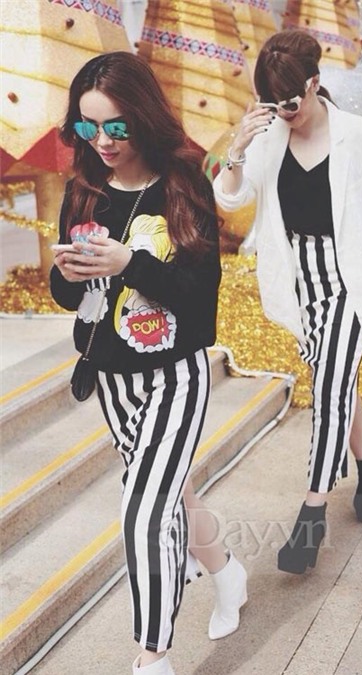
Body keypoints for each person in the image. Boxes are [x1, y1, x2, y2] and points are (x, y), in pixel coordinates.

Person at [213, 29, 362, 575]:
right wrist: (237, 150)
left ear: (314, 84)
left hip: (351, 279)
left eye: (290, 102)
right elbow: (233, 198)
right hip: (301, 282)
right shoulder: (269, 138)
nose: (284, 113)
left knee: (330, 386)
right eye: (273, 103)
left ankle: (312, 515)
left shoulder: (358, 136)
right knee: (334, 379)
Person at [50, 52, 247, 675]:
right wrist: (67, 274)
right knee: (170, 495)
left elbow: (201, 298)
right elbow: (70, 300)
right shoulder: (84, 190)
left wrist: (129, 264)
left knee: (144, 511)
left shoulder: (183, 184)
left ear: (141, 115)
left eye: (115, 126)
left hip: (174, 375)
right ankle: (227, 572)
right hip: (111, 377)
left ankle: (152, 656)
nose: (102, 141)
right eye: (87, 127)